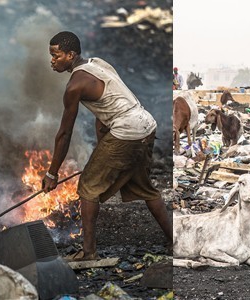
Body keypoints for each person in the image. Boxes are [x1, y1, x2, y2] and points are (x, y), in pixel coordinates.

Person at [42, 31, 174, 261]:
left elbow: (64, 134)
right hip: (146, 124)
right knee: (144, 187)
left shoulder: (74, 86)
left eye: (56, 55)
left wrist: (51, 173)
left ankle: (89, 252)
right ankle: (174, 240)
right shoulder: (98, 64)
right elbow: (103, 113)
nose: (52, 60)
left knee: (88, 187)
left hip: (127, 131)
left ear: (71, 55)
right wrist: (103, 150)